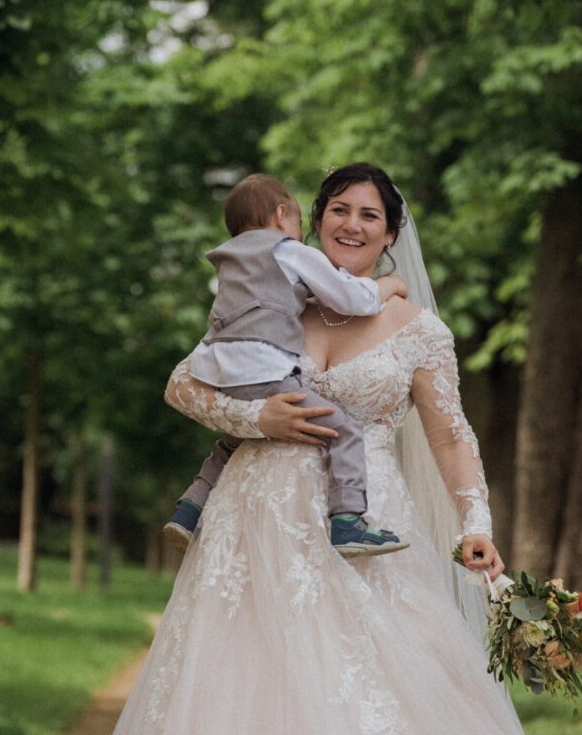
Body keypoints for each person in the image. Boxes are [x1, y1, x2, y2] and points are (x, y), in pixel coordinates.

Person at [48, 162, 582, 735]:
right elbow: (184, 382)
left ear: (392, 233)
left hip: (361, 538)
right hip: (251, 529)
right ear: (311, 220)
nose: (352, 225)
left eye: (369, 215)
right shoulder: (274, 287)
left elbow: (452, 435)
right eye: (338, 211)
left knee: (366, 704)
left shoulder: (415, 326)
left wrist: (476, 521)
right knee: (237, 698)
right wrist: (260, 420)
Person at [163, 172, 409, 559]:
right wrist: (389, 285)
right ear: (281, 216)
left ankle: (190, 507)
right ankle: (347, 521)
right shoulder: (287, 250)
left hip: (220, 367)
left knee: (231, 442)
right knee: (342, 430)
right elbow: (351, 298)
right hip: (264, 367)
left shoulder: (231, 256)